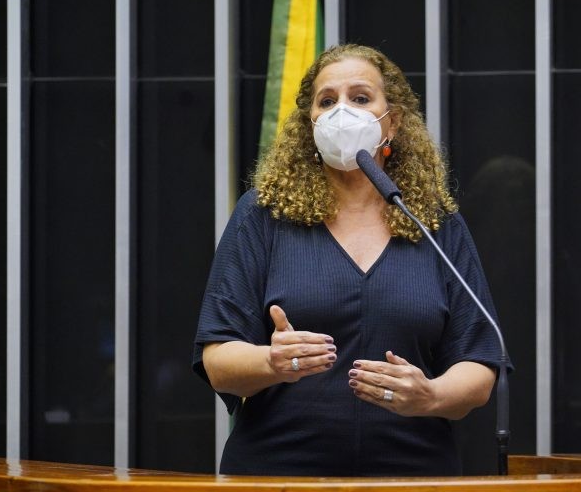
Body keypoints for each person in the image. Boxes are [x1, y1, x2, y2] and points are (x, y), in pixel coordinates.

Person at [193, 44, 509, 476]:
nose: (343, 111)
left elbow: (479, 361)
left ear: (392, 122)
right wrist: (271, 361)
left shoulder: (433, 220)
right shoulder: (263, 214)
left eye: (360, 98)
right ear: (311, 123)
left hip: (414, 474)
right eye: (327, 101)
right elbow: (217, 360)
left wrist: (430, 395)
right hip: (278, 474)